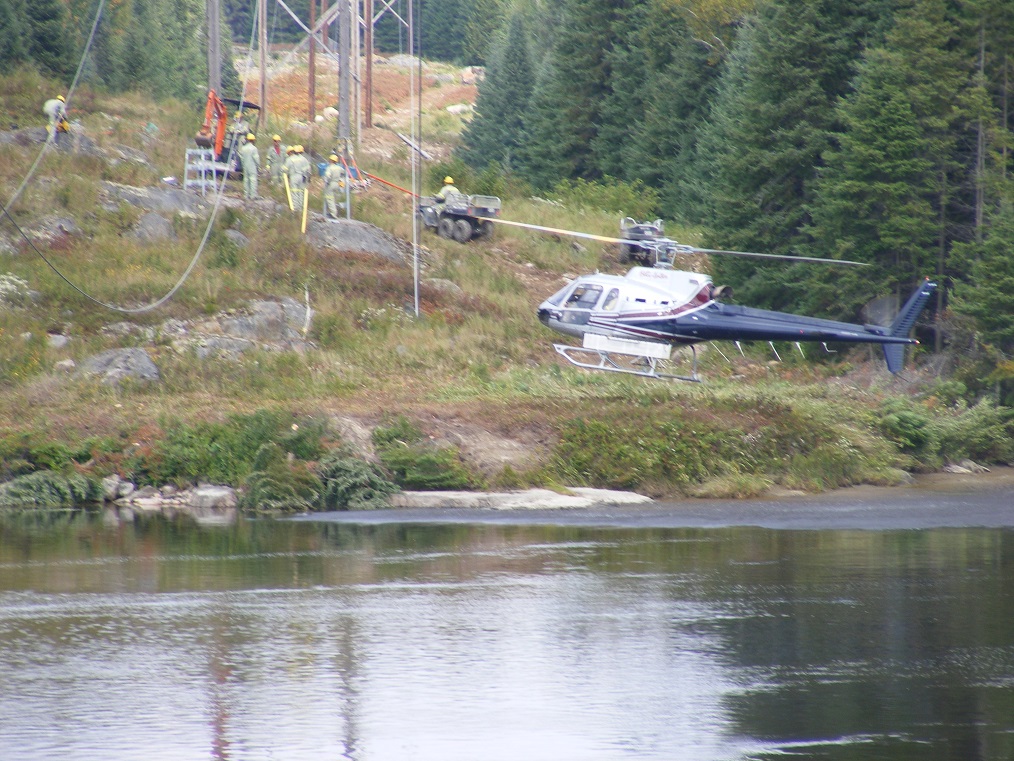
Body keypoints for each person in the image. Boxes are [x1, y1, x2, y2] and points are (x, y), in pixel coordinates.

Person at [286, 145, 312, 211]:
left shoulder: (290, 159)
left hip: (293, 177)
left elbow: (284, 169)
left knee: (294, 192)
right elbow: (308, 169)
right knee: (300, 192)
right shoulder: (304, 159)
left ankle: (295, 207)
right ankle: (301, 208)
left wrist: (286, 175)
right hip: (301, 177)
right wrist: (308, 178)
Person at [322, 154, 346, 219]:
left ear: (331, 160)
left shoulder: (329, 168)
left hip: (331, 184)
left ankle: (333, 213)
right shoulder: (339, 168)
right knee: (335, 198)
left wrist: (326, 181)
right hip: (337, 184)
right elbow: (344, 173)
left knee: (329, 198)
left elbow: (327, 175)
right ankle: (335, 212)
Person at [238, 133, 260, 200]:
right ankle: (252, 195)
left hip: (245, 166)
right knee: (253, 180)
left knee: (246, 180)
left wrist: (243, 165)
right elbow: (256, 158)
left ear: (247, 140)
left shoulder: (243, 148)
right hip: (252, 167)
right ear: (253, 140)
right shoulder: (254, 149)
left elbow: (241, 158)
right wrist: (258, 165)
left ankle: (246, 195)